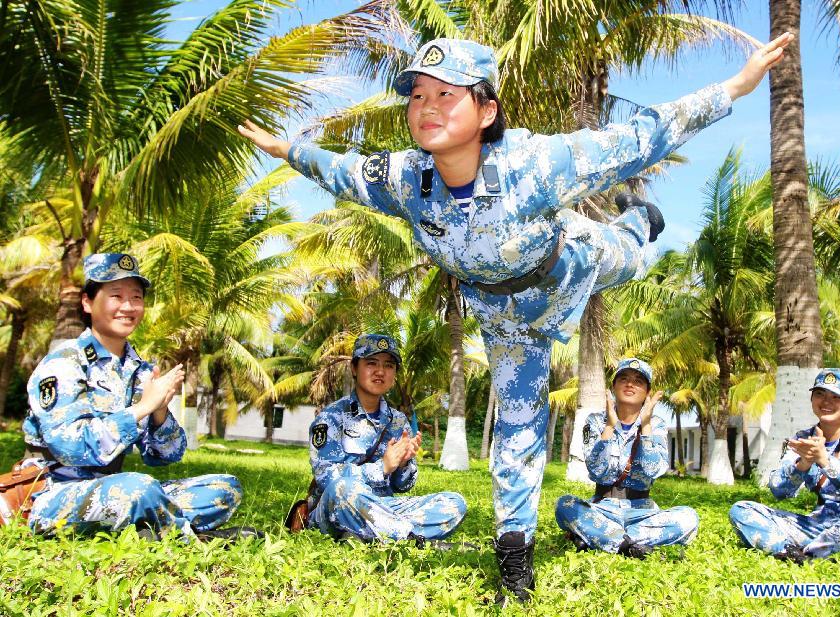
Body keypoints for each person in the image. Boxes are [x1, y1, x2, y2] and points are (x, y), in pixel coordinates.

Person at [239, 32, 794, 602]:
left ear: (486, 109)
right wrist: (287, 151)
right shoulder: (409, 179)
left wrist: (736, 85)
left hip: (568, 264)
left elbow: (639, 136)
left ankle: (637, 222)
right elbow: (344, 171)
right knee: (516, 428)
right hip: (505, 319)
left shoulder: (536, 163)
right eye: (416, 95)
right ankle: (514, 561)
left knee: (624, 257)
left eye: (445, 94)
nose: (426, 106)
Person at [20, 253, 255, 541]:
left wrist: (158, 412)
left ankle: (147, 527)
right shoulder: (65, 362)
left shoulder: (140, 370)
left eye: (136, 297)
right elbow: (70, 447)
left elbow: (165, 456)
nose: (128, 307)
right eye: (116, 296)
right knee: (138, 489)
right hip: (52, 494)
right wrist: (141, 408)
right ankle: (188, 540)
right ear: (87, 302)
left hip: (113, 488)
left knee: (225, 488)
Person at [307, 333, 467, 545]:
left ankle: (371, 535)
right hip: (338, 508)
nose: (380, 371)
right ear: (354, 369)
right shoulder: (330, 418)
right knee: (343, 489)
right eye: (371, 363)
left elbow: (403, 486)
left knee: (454, 503)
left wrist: (403, 464)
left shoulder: (399, 421)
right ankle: (411, 538)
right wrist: (382, 467)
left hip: (383, 508)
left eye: (389, 366)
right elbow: (327, 478)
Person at [729, 368, 840, 563]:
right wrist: (803, 464)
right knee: (742, 510)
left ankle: (814, 551)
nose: (826, 402)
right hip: (817, 526)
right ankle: (793, 553)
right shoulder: (803, 439)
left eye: (837, 397)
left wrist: (825, 460)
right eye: (820, 394)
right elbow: (778, 490)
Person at [556, 358, 698, 558]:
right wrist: (609, 428)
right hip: (603, 509)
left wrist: (646, 425)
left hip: (642, 512)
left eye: (638, 381)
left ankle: (602, 538)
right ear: (614, 386)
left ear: (647, 392)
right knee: (565, 505)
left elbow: (653, 470)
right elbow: (596, 470)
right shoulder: (596, 421)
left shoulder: (657, 425)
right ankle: (629, 545)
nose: (630, 384)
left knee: (688, 518)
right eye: (623, 378)